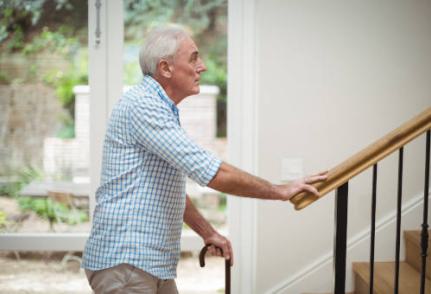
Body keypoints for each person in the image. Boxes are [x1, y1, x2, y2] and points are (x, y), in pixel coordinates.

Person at [82, 25, 327, 294]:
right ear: (165, 68)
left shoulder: (159, 108)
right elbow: (213, 172)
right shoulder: (144, 106)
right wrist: (279, 190)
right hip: (127, 263)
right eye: (193, 58)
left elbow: (164, 189)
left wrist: (207, 232)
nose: (203, 66)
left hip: (143, 264)